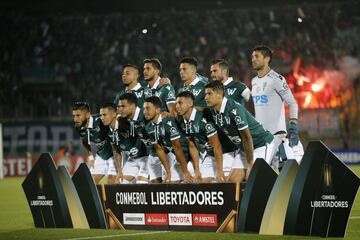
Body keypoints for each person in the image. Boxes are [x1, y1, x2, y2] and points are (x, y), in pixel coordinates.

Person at [204, 81, 275, 179]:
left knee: (255, 178)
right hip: (245, 149)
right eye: (205, 94)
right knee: (232, 183)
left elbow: (246, 137)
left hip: (261, 144)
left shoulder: (233, 109)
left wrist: (250, 164)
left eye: (209, 94)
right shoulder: (213, 111)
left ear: (220, 94)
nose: (206, 97)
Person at [251, 45, 304, 166]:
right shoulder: (253, 81)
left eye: (256, 56)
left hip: (277, 136)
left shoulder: (276, 79)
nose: (253, 59)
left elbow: (292, 103)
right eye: (252, 56)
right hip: (261, 138)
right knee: (258, 175)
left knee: (286, 174)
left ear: (267, 59)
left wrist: (293, 126)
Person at [143, 96, 196, 183]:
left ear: (157, 110)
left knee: (195, 182)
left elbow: (178, 147)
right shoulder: (148, 128)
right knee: (169, 183)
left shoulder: (168, 122)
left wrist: (185, 172)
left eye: (148, 108)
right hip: (181, 159)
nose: (145, 112)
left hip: (192, 156)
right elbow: (159, 149)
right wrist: (168, 173)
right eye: (144, 108)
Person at [176, 91, 225, 183]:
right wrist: (197, 169)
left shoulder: (203, 119)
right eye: (176, 103)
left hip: (218, 155)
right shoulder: (182, 122)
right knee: (186, 181)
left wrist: (219, 171)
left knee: (201, 184)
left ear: (190, 103)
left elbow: (217, 146)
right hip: (204, 155)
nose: (177, 106)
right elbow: (192, 145)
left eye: (180, 103)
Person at [72, 102, 116, 184]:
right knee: (91, 183)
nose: (75, 119)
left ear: (88, 115)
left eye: (78, 115)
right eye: (74, 116)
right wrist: (90, 156)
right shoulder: (79, 127)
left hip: (114, 154)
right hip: (102, 154)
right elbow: (84, 141)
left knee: (111, 181)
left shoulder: (101, 121)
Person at [117, 93, 150, 183]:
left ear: (132, 106)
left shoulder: (145, 115)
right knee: (121, 184)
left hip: (149, 157)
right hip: (134, 158)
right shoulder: (125, 119)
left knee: (141, 186)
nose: (120, 109)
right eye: (119, 106)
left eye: (123, 106)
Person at [99, 102, 128, 183]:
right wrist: (119, 170)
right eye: (101, 115)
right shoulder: (107, 130)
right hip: (127, 157)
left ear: (114, 114)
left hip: (142, 156)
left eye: (104, 115)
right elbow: (115, 150)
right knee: (119, 184)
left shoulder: (125, 124)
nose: (102, 118)